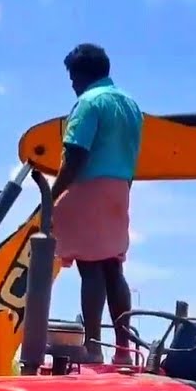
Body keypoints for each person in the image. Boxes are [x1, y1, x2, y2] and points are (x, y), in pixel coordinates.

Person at [50, 43, 143, 365]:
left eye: (72, 77)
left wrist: (52, 196)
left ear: (80, 74)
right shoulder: (131, 105)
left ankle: (92, 346)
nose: (72, 84)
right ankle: (124, 349)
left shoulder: (88, 103)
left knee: (90, 268)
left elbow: (76, 153)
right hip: (120, 188)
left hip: (88, 185)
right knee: (113, 267)